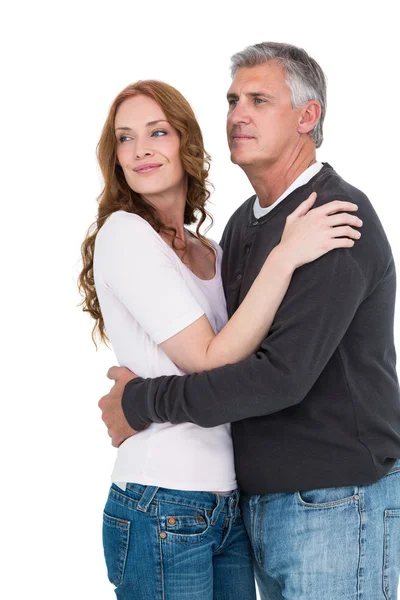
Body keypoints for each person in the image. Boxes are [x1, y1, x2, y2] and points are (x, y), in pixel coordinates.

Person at [99, 43, 400, 600]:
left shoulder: (331, 217)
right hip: (250, 507)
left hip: (337, 502)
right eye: (233, 99)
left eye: (259, 99)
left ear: (308, 117)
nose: (238, 113)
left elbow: (277, 376)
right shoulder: (243, 228)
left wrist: (142, 402)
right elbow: (225, 349)